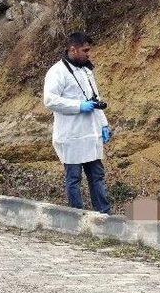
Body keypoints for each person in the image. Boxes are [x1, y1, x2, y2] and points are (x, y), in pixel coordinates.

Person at [43, 32, 111, 214]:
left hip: (90, 134)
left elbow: (95, 100)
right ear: (73, 49)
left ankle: (103, 214)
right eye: (85, 50)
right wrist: (78, 106)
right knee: (73, 178)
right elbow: (50, 101)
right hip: (71, 136)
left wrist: (104, 124)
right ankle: (76, 216)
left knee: (97, 176)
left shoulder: (86, 71)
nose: (88, 54)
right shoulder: (57, 72)